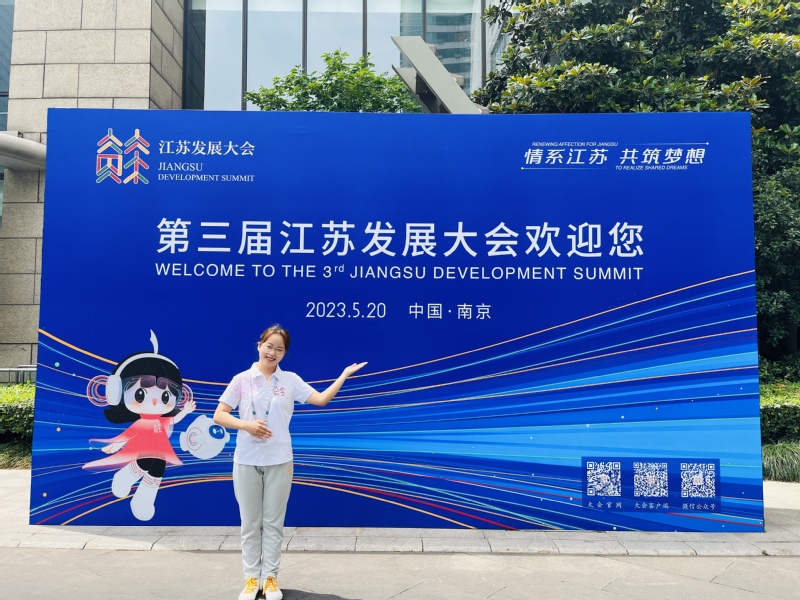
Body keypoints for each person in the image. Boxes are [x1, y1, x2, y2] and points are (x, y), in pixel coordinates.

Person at [213, 324, 366, 600]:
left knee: (273, 523)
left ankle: (270, 578)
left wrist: (343, 375)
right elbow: (220, 414)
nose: (272, 353)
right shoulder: (241, 380)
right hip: (246, 460)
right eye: (269, 346)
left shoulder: (290, 380)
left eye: (279, 349)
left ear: (285, 353)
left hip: (280, 460)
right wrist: (247, 425)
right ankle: (251, 579)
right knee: (250, 523)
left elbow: (320, 399)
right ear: (259, 346)